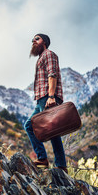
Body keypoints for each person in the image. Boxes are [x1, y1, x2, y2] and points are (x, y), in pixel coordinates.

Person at [24, 33, 67, 173]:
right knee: (30, 125)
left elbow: (52, 75)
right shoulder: (40, 58)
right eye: (32, 40)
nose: (33, 41)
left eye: (37, 39)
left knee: (52, 130)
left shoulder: (48, 54)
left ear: (45, 42)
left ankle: (59, 165)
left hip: (48, 97)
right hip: (41, 99)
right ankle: (45, 159)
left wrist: (51, 96)